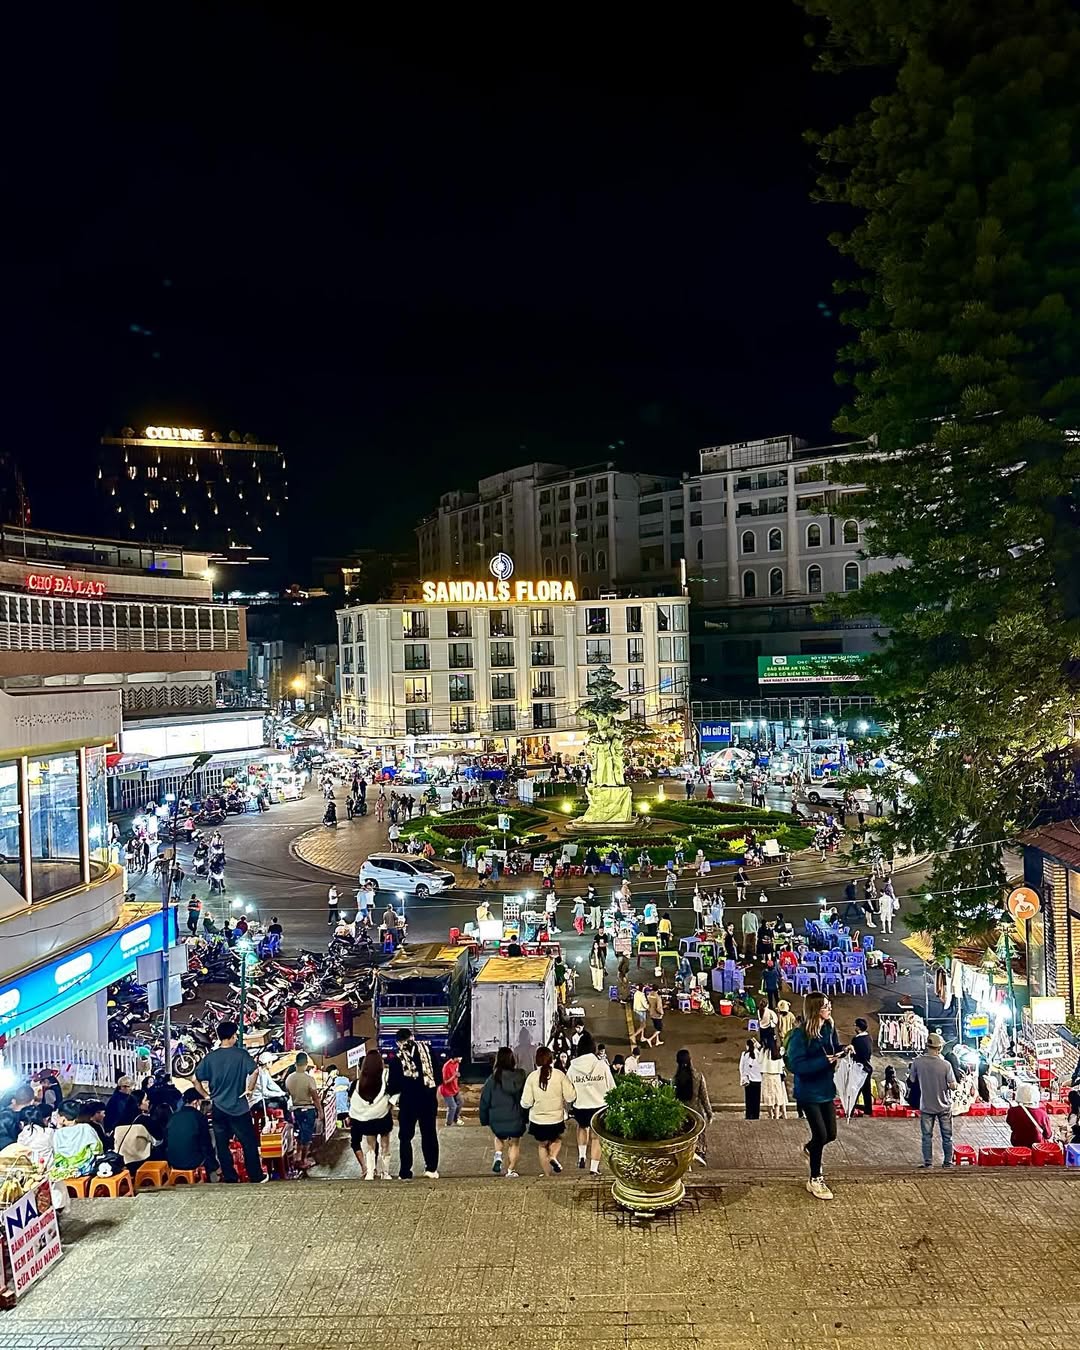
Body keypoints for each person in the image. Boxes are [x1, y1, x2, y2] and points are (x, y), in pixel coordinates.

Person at [786, 992, 844, 1200]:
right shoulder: (800, 1036)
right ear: (815, 1010)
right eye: (825, 1006)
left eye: (829, 1005)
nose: (830, 1008)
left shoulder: (828, 1028)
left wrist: (844, 1050)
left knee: (831, 1134)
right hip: (808, 1092)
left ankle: (810, 1149)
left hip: (826, 1088)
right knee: (820, 1134)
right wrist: (823, 1062)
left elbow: (833, 1048)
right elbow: (796, 1065)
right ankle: (815, 1178)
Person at [194, 1020, 267, 1184]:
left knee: (222, 1145)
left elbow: (194, 1079)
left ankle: (230, 1177)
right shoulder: (241, 1054)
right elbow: (255, 1071)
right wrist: (250, 1089)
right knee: (248, 1143)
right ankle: (256, 1176)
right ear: (233, 1036)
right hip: (239, 1108)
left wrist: (206, 1095)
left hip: (219, 1108)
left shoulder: (210, 1058)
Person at [387, 1029, 440, 1180]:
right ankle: (431, 1169)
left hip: (408, 1103)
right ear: (412, 1037)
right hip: (428, 1100)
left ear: (398, 1042)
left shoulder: (396, 1059)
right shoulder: (428, 1051)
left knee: (405, 1137)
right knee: (429, 1134)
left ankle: (405, 1171)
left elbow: (393, 1086)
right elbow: (438, 1075)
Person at [520, 1046, 576, 1176]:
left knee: (542, 1145)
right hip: (556, 1119)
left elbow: (526, 1103)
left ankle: (547, 1175)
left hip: (538, 1121)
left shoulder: (532, 1077)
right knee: (557, 1140)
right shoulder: (559, 1075)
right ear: (552, 1059)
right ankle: (553, 1156)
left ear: (536, 1060)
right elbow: (570, 1097)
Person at [566, 1031, 615, 1176]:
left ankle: (582, 1156)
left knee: (582, 1127)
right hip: (599, 1107)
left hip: (581, 1106)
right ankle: (593, 1168)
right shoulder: (602, 1065)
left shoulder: (573, 1068)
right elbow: (612, 1087)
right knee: (596, 1137)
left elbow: (568, 1091)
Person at [908, 1031, 957, 1168]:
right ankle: (947, 1162)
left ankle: (928, 1163)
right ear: (939, 1048)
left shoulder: (917, 1062)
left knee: (926, 1136)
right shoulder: (946, 1065)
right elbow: (953, 1085)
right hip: (944, 1105)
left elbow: (911, 1080)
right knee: (947, 1136)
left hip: (926, 1105)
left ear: (927, 1046)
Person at [349, 1050, 394, 1181]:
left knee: (370, 1146)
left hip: (367, 1118)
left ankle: (370, 1173)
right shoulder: (385, 1078)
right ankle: (385, 1173)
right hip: (383, 1116)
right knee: (385, 1145)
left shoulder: (359, 1082)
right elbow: (393, 1094)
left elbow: (352, 1100)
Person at [673, 1048, 713, 1166]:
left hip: (682, 1115)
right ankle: (700, 1157)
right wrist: (709, 1113)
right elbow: (704, 1098)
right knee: (699, 1139)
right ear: (690, 1060)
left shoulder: (675, 1079)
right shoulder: (698, 1076)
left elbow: (673, 1100)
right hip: (697, 1114)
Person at [166, 1089, 217, 1176]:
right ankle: (212, 1172)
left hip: (172, 1161)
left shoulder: (173, 1116)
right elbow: (206, 1144)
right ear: (195, 1102)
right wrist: (215, 1165)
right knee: (211, 1141)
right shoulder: (199, 1117)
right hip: (193, 1162)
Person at [50, 1101, 103, 1181]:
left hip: (66, 1169)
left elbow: (57, 1153)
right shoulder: (86, 1128)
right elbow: (97, 1149)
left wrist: (59, 1126)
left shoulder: (58, 1133)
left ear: (63, 1118)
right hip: (86, 1168)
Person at [285, 1052, 321, 1170]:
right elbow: (315, 1098)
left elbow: (289, 1093)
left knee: (301, 1134)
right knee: (307, 1137)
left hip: (296, 1110)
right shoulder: (309, 1079)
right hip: (308, 1110)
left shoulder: (289, 1078)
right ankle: (303, 1160)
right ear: (306, 1064)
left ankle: (297, 1156)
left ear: (295, 1064)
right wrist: (320, 1111)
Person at [1006, 1083, 1053, 1148]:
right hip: (1037, 1146)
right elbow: (1048, 1135)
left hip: (1018, 1143)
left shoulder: (1012, 1111)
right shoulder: (1042, 1114)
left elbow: (1010, 1123)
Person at [760, 1028, 789, 1119]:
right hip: (776, 1075)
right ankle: (776, 1116)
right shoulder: (778, 1052)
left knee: (769, 1096)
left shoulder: (765, 1051)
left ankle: (771, 1115)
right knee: (777, 1097)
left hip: (767, 1075)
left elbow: (759, 1061)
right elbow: (782, 1064)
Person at [850, 1018, 874, 1117]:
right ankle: (868, 1109)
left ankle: (850, 1109)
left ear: (858, 1028)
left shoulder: (856, 1040)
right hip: (868, 1067)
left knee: (855, 1089)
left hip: (859, 1068)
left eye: (855, 1026)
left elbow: (854, 1054)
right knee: (866, 1089)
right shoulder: (868, 1038)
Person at [739, 1038, 763, 1119]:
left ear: (747, 1046)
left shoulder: (745, 1054)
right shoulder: (759, 1054)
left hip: (748, 1080)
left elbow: (741, 1067)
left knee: (749, 1099)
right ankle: (756, 1115)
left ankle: (749, 1115)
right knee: (756, 1099)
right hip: (758, 1080)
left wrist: (743, 1076)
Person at [439, 1055, 463, 1127]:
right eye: (460, 1057)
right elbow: (445, 1082)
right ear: (455, 1057)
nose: (461, 1058)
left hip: (454, 1088)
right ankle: (448, 1124)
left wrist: (457, 1076)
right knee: (453, 1107)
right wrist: (454, 1076)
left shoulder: (457, 1063)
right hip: (446, 1090)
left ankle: (455, 1119)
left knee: (460, 1102)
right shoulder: (446, 1066)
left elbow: (455, 1074)